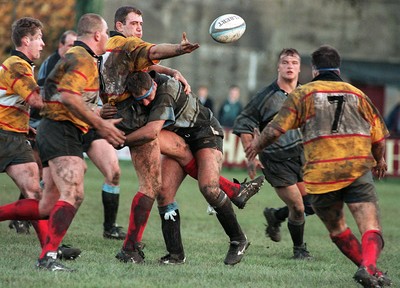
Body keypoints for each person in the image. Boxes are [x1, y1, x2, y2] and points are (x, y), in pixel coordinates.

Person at [245, 45, 392, 287]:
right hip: (356, 169)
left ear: (313, 70)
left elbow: (276, 128)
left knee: (338, 230)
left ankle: (370, 273)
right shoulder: (357, 94)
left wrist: (257, 145)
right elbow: (378, 137)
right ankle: (369, 267)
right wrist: (380, 159)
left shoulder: (303, 95)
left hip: (321, 175)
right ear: (339, 67)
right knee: (370, 226)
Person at [2, 13, 126, 272]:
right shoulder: (82, 59)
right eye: (106, 34)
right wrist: (100, 124)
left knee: (45, 204)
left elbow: (54, 95)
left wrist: (97, 115)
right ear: (97, 35)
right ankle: (48, 256)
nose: (108, 39)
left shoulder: (79, 58)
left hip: (47, 129)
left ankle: (49, 251)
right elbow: (65, 97)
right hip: (57, 130)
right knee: (74, 193)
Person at [123, 70, 251, 266]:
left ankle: (238, 240)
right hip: (182, 138)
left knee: (208, 187)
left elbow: (151, 132)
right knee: (164, 193)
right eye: (141, 100)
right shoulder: (148, 80)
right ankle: (175, 255)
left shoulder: (166, 91)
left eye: (148, 96)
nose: (146, 103)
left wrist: (121, 140)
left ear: (154, 85)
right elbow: (151, 60)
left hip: (206, 133)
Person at [0, 16, 80, 263]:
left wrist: (27, 127)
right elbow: (36, 101)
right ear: (26, 40)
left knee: (34, 194)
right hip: (4, 136)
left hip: (13, 136)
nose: (43, 44)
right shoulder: (17, 65)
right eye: (38, 39)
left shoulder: (23, 64)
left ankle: (49, 249)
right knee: (37, 195)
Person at [233, 48, 313, 259]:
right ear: (278, 67)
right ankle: (299, 250)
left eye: (294, 63)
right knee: (297, 207)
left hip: (301, 157)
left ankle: (275, 215)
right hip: (275, 160)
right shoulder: (265, 97)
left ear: (299, 68)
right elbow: (244, 123)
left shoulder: (306, 94)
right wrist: (251, 159)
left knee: (312, 205)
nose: (289, 66)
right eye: (285, 62)